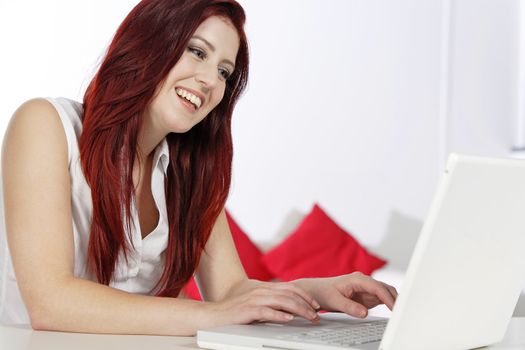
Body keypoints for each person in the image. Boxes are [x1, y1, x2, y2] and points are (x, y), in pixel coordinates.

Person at [0, 0, 397, 336]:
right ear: (151, 41)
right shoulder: (47, 125)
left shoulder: (189, 172)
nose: (210, 80)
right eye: (198, 51)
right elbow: (50, 302)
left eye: (224, 71)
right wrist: (210, 315)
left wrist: (315, 295)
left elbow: (230, 293)